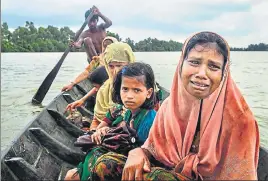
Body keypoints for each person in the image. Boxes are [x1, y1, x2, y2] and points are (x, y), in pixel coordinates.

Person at [91, 32, 260, 181]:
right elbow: (152, 148)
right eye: (194, 62)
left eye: (213, 66)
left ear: (224, 73)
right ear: (181, 65)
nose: (202, 74)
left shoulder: (240, 121)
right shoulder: (169, 108)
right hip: (168, 172)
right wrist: (140, 152)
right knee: (105, 165)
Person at [64, 62, 157, 181]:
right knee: (71, 175)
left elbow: (146, 154)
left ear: (148, 93)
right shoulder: (126, 112)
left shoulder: (150, 120)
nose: (129, 96)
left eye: (136, 90)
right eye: (125, 89)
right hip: (120, 158)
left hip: (134, 169)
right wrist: (103, 131)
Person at [90, 42, 135, 131]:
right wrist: (95, 132)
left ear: (130, 64)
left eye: (120, 65)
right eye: (111, 66)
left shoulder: (142, 87)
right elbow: (96, 120)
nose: (116, 71)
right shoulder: (104, 91)